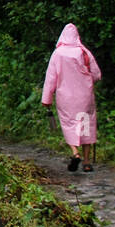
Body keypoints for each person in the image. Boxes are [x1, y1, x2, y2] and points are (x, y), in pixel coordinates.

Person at [41, 23, 101, 173]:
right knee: (86, 125)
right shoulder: (83, 52)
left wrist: (46, 99)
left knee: (69, 124)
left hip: (65, 98)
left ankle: (75, 153)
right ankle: (87, 162)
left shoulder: (58, 54)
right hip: (85, 97)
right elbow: (97, 74)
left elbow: (50, 79)